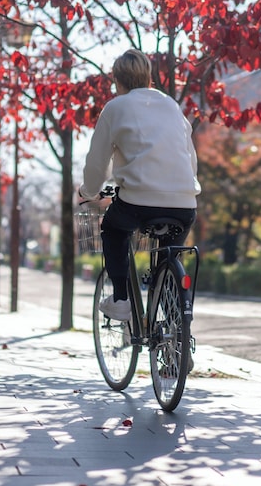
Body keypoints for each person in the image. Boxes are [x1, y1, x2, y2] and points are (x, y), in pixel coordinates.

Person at [78, 49, 200, 322]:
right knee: (171, 259)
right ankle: (176, 337)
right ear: (149, 78)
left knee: (112, 230)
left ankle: (122, 299)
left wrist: (88, 191)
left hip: (137, 203)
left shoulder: (115, 107)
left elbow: (98, 162)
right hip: (184, 203)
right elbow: (189, 155)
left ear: (117, 81)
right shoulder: (171, 105)